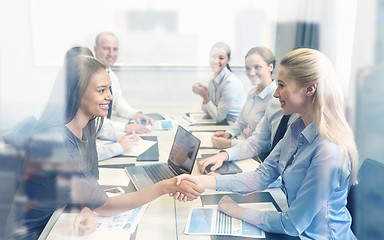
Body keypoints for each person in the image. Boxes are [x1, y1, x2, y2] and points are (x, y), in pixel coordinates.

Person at [5, 56, 203, 239]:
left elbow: (89, 179)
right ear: (76, 94)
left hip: (58, 219)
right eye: (101, 90)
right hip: (37, 234)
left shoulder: (88, 125)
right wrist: (164, 186)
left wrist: (86, 208)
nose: (109, 96)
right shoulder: (57, 140)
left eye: (109, 89)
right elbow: (106, 206)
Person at [176, 48, 358, 239]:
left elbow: (292, 224)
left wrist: (237, 211)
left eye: (281, 85)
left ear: (309, 89)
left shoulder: (329, 151)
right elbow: (262, 176)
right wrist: (201, 181)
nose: (275, 93)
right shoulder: (296, 128)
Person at [65, 46, 140, 161]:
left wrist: (121, 136)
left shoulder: (86, 121)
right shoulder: (64, 134)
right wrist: (117, 148)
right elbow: (81, 159)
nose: (109, 96)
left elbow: (99, 127)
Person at [211, 46, 277, 149]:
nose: (251, 73)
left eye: (257, 67)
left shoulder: (275, 99)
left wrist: (229, 144)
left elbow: (269, 144)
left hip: (258, 157)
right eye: (248, 68)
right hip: (244, 147)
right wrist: (228, 134)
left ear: (270, 67)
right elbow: (241, 122)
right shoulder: (252, 93)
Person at [94, 32, 154, 134]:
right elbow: (92, 122)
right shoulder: (89, 77)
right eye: (106, 48)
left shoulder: (111, 75)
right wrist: (125, 127)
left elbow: (119, 104)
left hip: (105, 133)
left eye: (115, 49)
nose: (111, 54)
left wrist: (136, 114)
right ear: (95, 49)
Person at [192, 42, 245, 124]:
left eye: (221, 58)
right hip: (222, 123)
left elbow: (218, 117)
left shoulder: (231, 83)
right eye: (213, 56)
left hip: (231, 125)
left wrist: (205, 97)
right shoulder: (213, 79)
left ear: (228, 60)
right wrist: (204, 93)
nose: (216, 61)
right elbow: (207, 111)